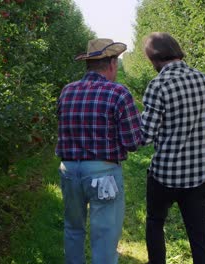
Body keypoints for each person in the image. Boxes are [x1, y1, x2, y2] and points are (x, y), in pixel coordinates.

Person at [55, 38, 142, 264]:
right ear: (112, 64)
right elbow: (133, 141)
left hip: (70, 170)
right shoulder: (118, 93)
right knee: (104, 235)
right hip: (103, 174)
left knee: (73, 229)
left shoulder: (67, 91)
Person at [140, 32, 205, 264]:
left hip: (165, 175)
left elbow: (144, 136)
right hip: (199, 175)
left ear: (154, 59)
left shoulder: (158, 85)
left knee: (155, 223)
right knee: (200, 237)